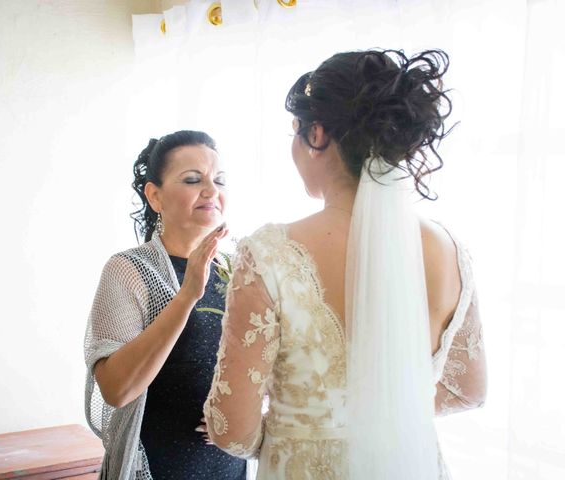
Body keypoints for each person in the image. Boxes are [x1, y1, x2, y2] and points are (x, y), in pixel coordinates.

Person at [203, 50, 487, 479]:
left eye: (295, 131)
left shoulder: (269, 252)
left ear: (316, 134)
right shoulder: (447, 248)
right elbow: (468, 390)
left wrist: (296, 433)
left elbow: (231, 429)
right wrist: (388, 420)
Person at [84, 130, 247, 479]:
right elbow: (117, 389)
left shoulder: (238, 272)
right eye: (193, 179)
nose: (211, 190)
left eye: (219, 180)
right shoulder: (129, 270)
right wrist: (187, 295)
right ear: (155, 196)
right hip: (157, 467)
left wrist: (250, 412)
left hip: (227, 469)